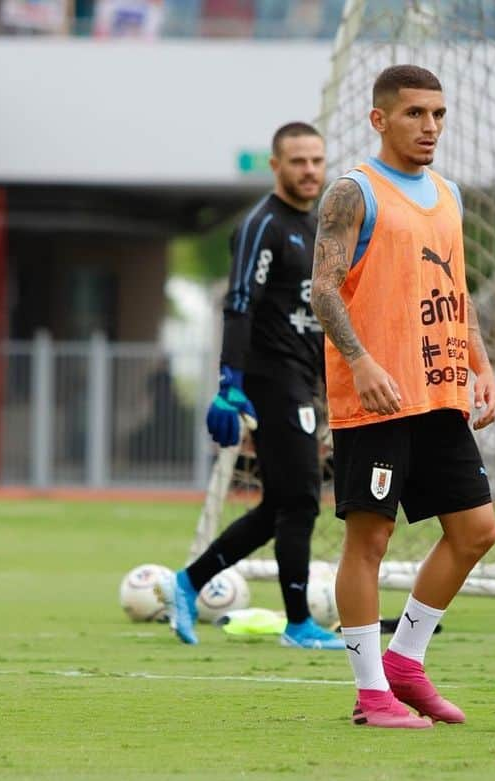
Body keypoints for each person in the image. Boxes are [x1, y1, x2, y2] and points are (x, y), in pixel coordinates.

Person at [310, 64, 495, 729]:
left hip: (440, 389)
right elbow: (323, 289)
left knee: (477, 531)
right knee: (371, 538)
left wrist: (481, 363)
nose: (431, 127)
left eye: (439, 114)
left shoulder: (448, 194)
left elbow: (457, 287)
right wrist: (359, 362)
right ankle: (370, 694)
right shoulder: (352, 192)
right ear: (380, 119)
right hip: (377, 398)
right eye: (417, 113)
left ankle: (405, 663)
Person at [157, 122, 345, 651]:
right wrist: (229, 383)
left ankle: (187, 583)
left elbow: (313, 315)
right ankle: (299, 625)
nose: (309, 170)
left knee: (281, 505)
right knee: (303, 500)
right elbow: (239, 302)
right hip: (269, 378)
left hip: (299, 379)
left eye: (316, 161)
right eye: (298, 161)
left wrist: (332, 384)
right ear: (275, 165)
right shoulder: (262, 224)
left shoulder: (312, 228)